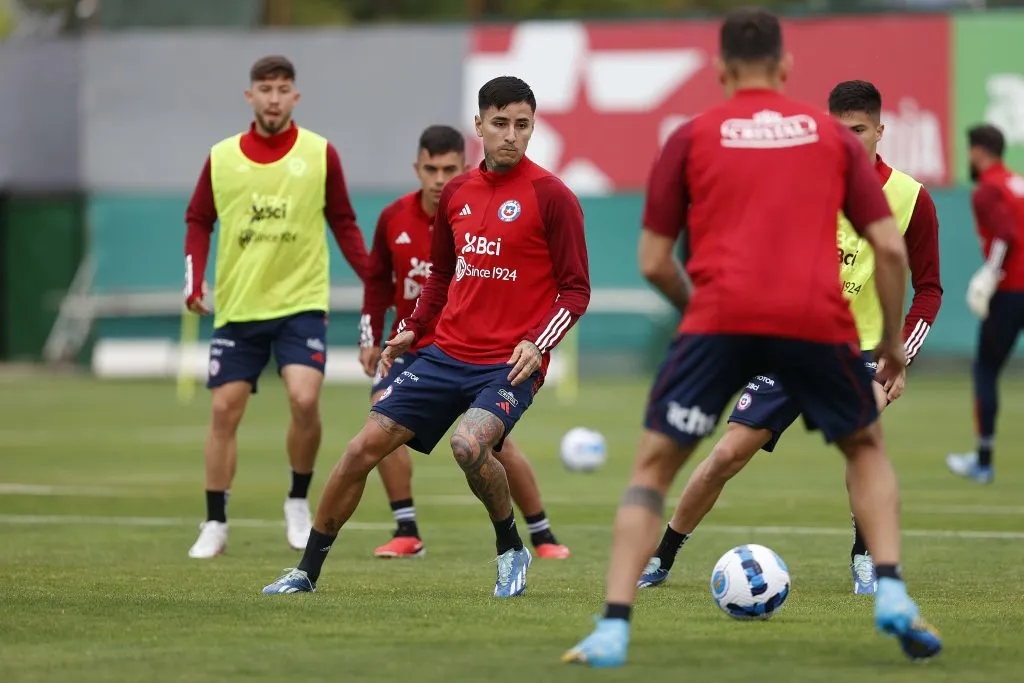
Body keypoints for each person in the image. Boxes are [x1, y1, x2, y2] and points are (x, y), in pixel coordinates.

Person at [563, 8, 941, 668]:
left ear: (719, 71)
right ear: (787, 69)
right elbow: (887, 246)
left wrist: (701, 308)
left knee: (653, 464)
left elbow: (653, 259)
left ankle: (613, 625)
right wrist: (888, 350)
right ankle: (892, 591)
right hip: (813, 321)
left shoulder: (690, 137)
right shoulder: (825, 142)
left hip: (723, 318)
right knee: (865, 446)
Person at [262, 76, 590, 598]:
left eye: (522, 125)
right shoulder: (458, 191)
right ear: (478, 125)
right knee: (358, 451)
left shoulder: (552, 197)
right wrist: (411, 328)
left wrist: (538, 343)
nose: (511, 135)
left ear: (533, 128)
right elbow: (440, 276)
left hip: (508, 364)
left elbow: (575, 290)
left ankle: (511, 549)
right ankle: (305, 571)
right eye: (500, 123)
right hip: (443, 355)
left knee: (468, 444)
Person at [636, 79, 943, 597]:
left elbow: (929, 289)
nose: (850, 140)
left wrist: (900, 355)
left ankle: (865, 558)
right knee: (728, 454)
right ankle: (662, 556)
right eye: (839, 131)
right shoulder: (800, 185)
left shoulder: (910, 197)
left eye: (860, 131)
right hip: (791, 337)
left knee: (861, 439)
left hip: (861, 352)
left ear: (880, 131)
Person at [183, 55, 369, 559]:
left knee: (305, 400)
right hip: (240, 306)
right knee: (224, 409)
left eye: (282, 88)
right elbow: (199, 219)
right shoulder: (222, 157)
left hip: (301, 303)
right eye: (264, 89)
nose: (273, 98)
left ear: (295, 97)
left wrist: (373, 275)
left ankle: (296, 501)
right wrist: (193, 277)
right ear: (250, 96)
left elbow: (344, 222)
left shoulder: (319, 153)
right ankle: (215, 520)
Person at [358, 124, 570, 560]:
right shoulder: (394, 218)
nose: (439, 179)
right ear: (417, 169)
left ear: (463, 164)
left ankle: (542, 534)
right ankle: (406, 527)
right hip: (414, 345)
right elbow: (378, 281)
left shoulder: (480, 200)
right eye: (430, 169)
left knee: (490, 445)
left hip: (471, 349)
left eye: (448, 169)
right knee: (379, 423)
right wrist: (373, 336)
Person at [947, 124, 1024, 484]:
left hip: (1011, 291)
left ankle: (983, 460)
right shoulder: (1016, 182)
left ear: (978, 151)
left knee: (985, 371)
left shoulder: (988, 189)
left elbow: (1006, 235)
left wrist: (989, 275)